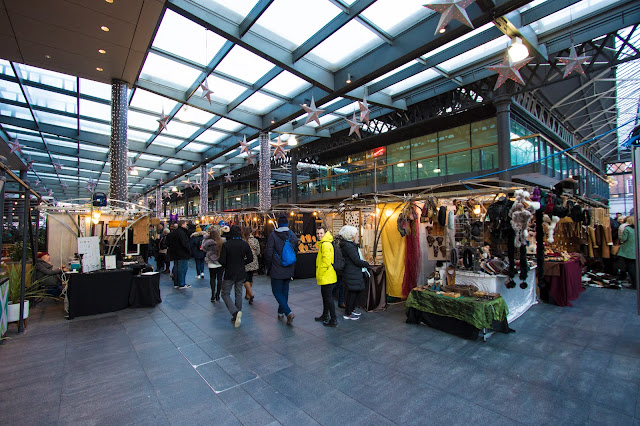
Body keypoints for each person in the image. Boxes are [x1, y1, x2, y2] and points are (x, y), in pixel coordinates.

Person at [264, 213, 298, 325]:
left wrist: (268, 266)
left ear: (278, 224)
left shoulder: (273, 235)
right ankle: (280, 313)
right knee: (285, 290)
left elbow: (268, 253)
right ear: (287, 224)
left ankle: (288, 312)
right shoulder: (292, 235)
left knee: (277, 291)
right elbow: (295, 250)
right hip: (289, 266)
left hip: (276, 267)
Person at [219, 225, 254, 327]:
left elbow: (222, 260)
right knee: (238, 293)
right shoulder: (244, 244)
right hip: (240, 271)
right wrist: (243, 263)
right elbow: (250, 258)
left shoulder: (227, 245)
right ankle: (237, 313)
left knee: (225, 293)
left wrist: (227, 265)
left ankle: (234, 312)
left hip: (229, 272)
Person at [338, 225, 370, 320]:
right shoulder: (349, 246)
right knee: (353, 292)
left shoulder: (348, 245)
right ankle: (348, 312)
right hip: (352, 272)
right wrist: (366, 264)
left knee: (355, 292)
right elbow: (356, 260)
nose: (356, 235)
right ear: (351, 235)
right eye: (356, 233)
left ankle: (351, 309)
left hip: (352, 272)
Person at [315, 226, 338, 327]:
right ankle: (325, 315)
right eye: (318, 233)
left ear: (325, 233)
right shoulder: (323, 243)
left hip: (327, 276)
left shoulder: (325, 244)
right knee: (325, 297)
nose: (319, 235)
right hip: (326, 276)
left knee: (328, 298)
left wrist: (320, 273)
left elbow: (326, 261)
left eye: (321, 233)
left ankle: (333, 319)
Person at [167, 220, 191, 289]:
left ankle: (176, 283)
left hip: (175, 253)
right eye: (185, 224)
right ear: (182, 224)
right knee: (182, 269)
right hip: (182, 253)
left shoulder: (174, 233)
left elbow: (168, 241)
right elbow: (185, 244)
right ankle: (182, 283)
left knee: (176, 268)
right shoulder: (182, 233)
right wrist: (188, 251)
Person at [202, 228, 224, 302]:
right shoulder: (222, 241)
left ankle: (213, 295)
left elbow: (204, 248)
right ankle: (218, 295)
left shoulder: (208, 242)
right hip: (220, 262)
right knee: (220, 279)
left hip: (211, 262)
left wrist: (205, 238)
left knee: (212, 278)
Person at [617, 215, 637, 289]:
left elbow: (623, 239)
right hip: (636, 250)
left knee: (630, 267)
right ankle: (636, 283)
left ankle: (634, 284)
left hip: (628, 251)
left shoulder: (627, 229)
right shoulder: (637, 228)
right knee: (636, 267)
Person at [242, 227, 260, 304]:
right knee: (250, 277)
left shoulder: (242, 241)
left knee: (245, 279)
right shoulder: (255, 240)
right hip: (253, 260)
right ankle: (247, 294)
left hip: (245, 261)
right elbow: (258, 252)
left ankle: (250, 294)